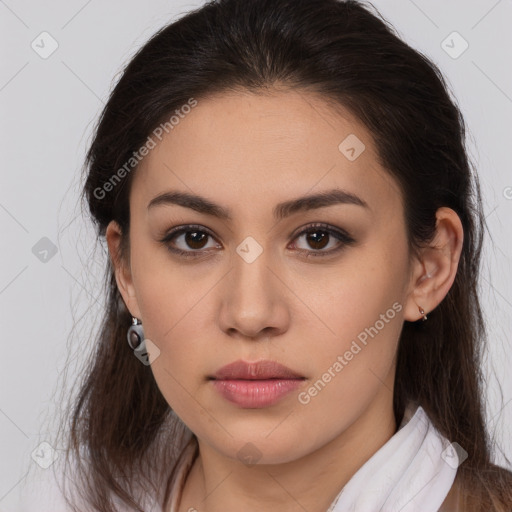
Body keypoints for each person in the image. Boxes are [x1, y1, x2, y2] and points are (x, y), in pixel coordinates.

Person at [17, 0, 512, 510]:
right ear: (127, 271)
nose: (251, 314)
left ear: (427, 268)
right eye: (193, 238)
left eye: (318, 238)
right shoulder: (58, 498)